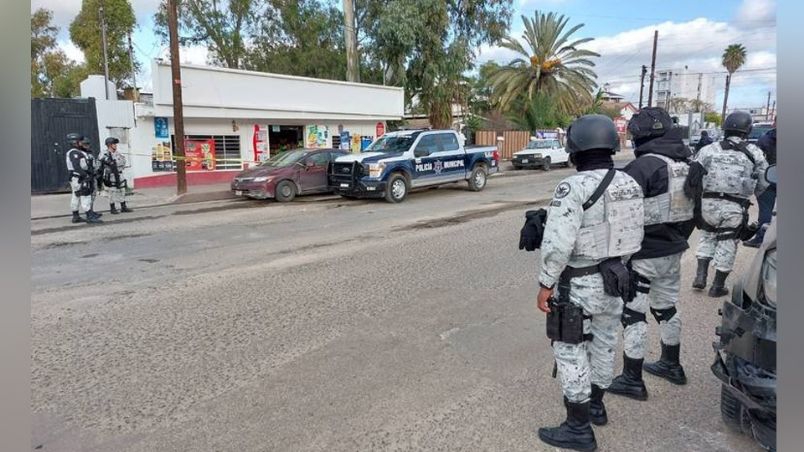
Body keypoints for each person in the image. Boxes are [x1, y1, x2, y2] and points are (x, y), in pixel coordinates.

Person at [535, 115, 644, 451]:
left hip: (579, 284)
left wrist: (545, 284)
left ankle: (578, 428)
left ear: (574, 148)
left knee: (570, 351)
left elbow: (558, 244)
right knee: (605, 342)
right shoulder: (630, 183)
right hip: (617, 279)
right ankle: (596, 405)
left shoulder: (573, 186)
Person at [607, 107, 696, 402]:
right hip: (673, 250)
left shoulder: (644, 167)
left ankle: (632, 379)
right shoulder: (684, 162)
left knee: (633, 314)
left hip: (644, 253)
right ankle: (672, 364)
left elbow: (617, 213)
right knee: (667, 308)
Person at [689, 111, 769, 297]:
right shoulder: (755, 152)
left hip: (708, 202)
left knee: (707, 236)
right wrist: (755, 194)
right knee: (727, 242)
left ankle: (700, 276)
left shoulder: (709, 149)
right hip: (734, 205)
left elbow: (694, 174)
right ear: (747, 130)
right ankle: (717, 286)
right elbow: (765, 180)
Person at [743, 125, 776, 247]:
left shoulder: (765, 139)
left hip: (768, 179)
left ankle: (761, 239)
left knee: (765, 210)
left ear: (774, 123)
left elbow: (753, 159)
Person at [65, 133, 102, 224]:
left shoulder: (78, 152)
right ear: (75, 142)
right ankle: (89, 216)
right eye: (80, 141)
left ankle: (76, 216)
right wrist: (86, 176)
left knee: (76, 196)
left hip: (77, 178)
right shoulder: (74, 152)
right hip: (79, 178)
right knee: (85, 195)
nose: (82, 143)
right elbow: (77, 166)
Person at [99, 137, 133, 214]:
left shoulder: (118, 153)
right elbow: (101, 162)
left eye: (115, 144)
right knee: (112, 191)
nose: (116, 145)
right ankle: (112, 208)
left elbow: (123, 162)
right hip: (111, 175)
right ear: (109, 145)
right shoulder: (104, 153)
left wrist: (116, 164)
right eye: (114, 144)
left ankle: (123, 207)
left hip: (120, 174)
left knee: (122, 190)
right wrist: (109, 161)